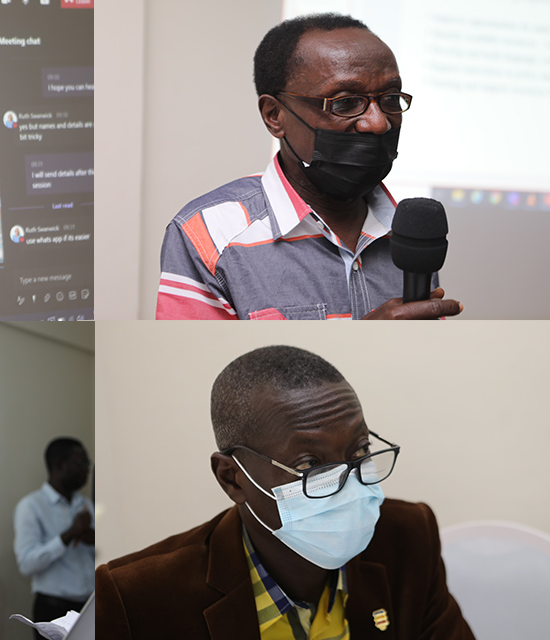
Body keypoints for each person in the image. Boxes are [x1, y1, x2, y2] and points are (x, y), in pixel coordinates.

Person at [96, 346, 475, 639]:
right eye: (310, 464)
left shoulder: (408, 538)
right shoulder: (137, 597)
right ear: (232, 478)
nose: (349, 483)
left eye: (360, 451)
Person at [156, 13, 463, 320]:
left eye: (391, 98)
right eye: (345, 102)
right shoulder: (210, 234)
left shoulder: (410, 233)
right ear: (274, 115)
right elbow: (194, 352)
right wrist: (364, 340)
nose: (378, 123)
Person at [14, 438, 95, 639]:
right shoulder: (31, 506)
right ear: (59, 465)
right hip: (53, 610)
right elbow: (27, 564)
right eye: (82, 463)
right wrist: (69, 534)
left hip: (89, 607)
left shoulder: (86, 505)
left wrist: (94, 540)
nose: (87, 470)